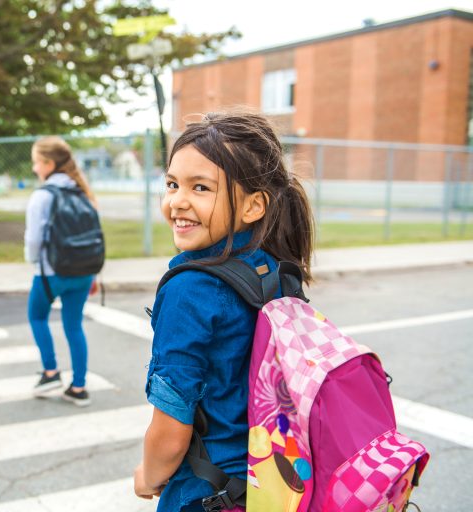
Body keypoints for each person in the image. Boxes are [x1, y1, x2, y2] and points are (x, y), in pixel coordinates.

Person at [133, 110, 314, 511]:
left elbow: (172, 425)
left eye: (201, 188)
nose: (177, 201)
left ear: (253, 206)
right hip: (272, 484)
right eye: (172, 184)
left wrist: (148, 474)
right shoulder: (275, 269)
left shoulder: (190, 289)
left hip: (208, 492)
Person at [24, 136, 98, 407]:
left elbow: (33, 240)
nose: (34, 168)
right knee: (74, 325)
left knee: (37, 316)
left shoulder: (42, 196)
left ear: (48, 163)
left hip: (50, 272)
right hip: (83, 272)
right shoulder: (83, 191)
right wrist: (94, 275)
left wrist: (34, 263)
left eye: (36, 163)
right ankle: (78, 387)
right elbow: (93, 235)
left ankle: (51, 371)